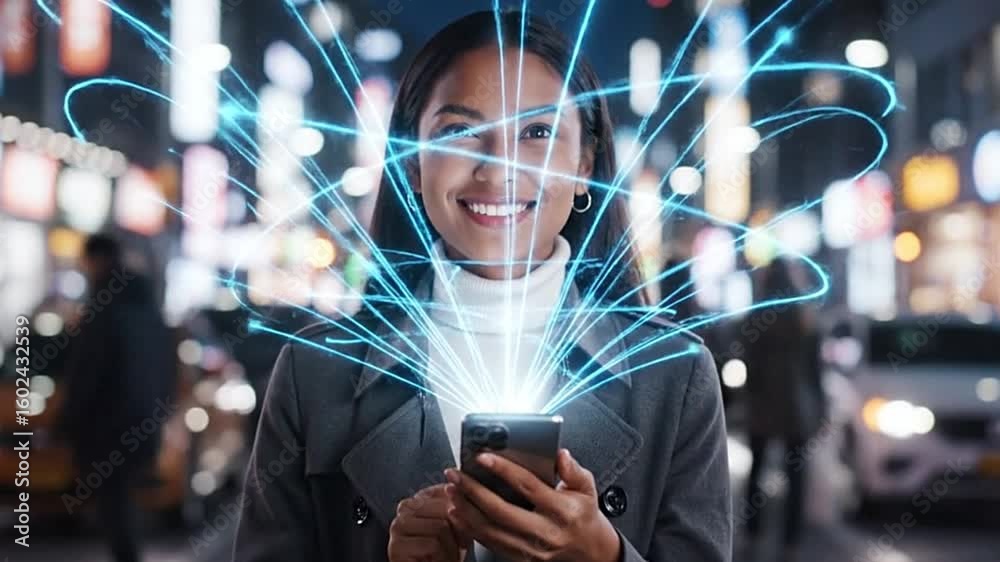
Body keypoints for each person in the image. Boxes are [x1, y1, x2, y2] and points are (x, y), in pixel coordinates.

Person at [234, 11, 731, 562]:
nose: (498, 169)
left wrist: (604, 556)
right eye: (460, 132)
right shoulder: (314, 377)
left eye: (538, 132)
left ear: (585, 162)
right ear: (413, 164)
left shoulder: (672, 376)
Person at [59, 234, 175, 562]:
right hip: (142, 419)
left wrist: (69, 418)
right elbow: (166, 365)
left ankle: (127, 555)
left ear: (97, 260)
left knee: (114, 499)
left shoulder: (105, 309)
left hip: (108, 423)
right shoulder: (147, 308)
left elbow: (88, 371)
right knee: (121, 495)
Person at [742, 259, 825, 562]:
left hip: (763, 404)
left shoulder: (758, 314)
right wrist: (820, 408)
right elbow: (816, 370)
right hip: (797, 406)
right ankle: (791, 541)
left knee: (758, 469)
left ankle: (753, 533)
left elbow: (749, 362)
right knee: (796, 475)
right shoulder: (805, 317)